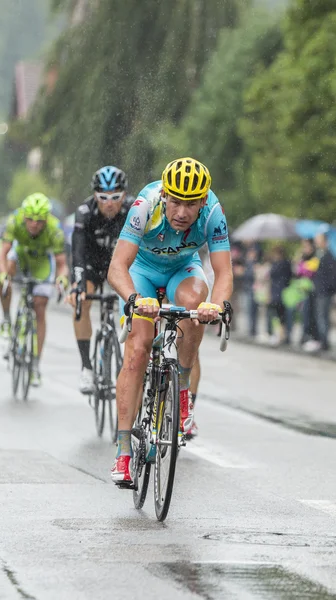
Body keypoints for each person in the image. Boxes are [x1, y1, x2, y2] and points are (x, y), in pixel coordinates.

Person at [107, 157, 233, 484]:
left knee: (195, 307)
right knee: (137, 349)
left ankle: (183, 394)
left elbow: (223, 271)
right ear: (164, 194)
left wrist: (216, 307)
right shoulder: (144, 206)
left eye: (190, 204)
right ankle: (122, 451)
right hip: (142, 271)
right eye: (175, 201)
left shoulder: (213, 213)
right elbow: (117, 267)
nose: (181, 212)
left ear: (203, 201)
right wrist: (135, 299)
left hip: (182, 268)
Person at [67, 166, 134, 393]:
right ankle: (87, 367)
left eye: (115, 197)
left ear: (124, 195)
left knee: (135, 302)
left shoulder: (133, 211)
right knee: (80, 301)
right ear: (95, 195)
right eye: (103, 197)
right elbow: (77, 252)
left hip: (122, 266)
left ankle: (127, 348)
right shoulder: (85, 212)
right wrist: (77, 285)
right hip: (92, 266)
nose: (109, 203)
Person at [0, 193, 68, 386]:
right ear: (24, 216)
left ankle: (35, 364)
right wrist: (4, 275)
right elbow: (3, 253)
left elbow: (62, 263)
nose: (34, 224)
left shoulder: (55, 230)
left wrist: (62, 279)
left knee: (40, 307)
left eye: (39, 221)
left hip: (41, 264)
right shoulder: (14, 221)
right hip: (20, 256)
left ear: (47, 219)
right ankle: (6, 318)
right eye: (30, 219)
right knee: (4, 275)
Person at [306, 227, 336, 352]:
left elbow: (333, 276)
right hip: (320, 290)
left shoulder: (329, 256)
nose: (316, 242)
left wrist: (327, 288)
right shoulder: (319, 255)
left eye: (318, 239)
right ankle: (321, 340)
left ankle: (324, 342)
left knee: (322, 317)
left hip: (324, 292)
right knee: (319, 317)